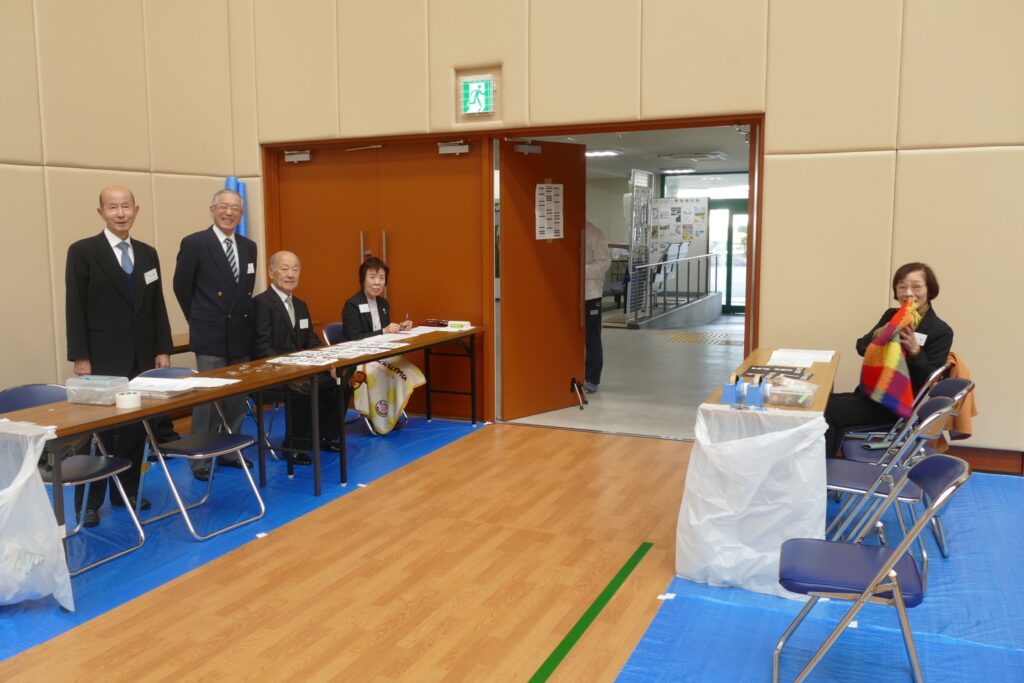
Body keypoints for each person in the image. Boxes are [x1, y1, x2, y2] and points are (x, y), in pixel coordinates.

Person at [65, 186, 173, 527]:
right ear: (101, 212)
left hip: (141, 356)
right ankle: (90, 502)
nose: (121, 213)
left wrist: (162, 349)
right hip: (101, 357)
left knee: (134, 430)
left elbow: (156, 306)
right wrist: (80, 356)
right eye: (113, 207)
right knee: (98, 433)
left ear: (136, 210)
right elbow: (75, 308)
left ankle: (126, 490)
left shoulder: (147, 253)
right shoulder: (83, 251)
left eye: (126, 206)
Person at [824, 262, 954, 456]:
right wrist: (879, 333)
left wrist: (915, 351)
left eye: (916, 287)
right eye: (902, 287)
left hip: (897, 406)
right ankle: (828, 463)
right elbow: (861, 347)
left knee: (826, 410)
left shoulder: (940, 330)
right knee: (820, 404)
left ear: (930, 290)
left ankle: (825, 467)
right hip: (871, 396)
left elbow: (929, 381)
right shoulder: (892, 315)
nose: (908, 293)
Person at [172, 189, 257, 480]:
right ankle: (201, 458)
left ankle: (230, 451)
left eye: (235, 209)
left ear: (241, 215)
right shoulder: (195, 243)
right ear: (212, 210)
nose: (229, 212)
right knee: (207, 401)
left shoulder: (248, 247)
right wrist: (199, 318)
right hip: (209, 332)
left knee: (236, 397)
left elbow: (245, 290)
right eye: (223, 206)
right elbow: (181, 286)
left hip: (239, 332)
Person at [252, 251, 341, 463]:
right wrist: (293, 366)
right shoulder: (261, 304)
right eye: (284, 269)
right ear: (271, 272)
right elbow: (262, 348)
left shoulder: (300, 305)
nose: (290, 274)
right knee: (303, 386)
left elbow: (310, 339)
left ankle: (324, 435)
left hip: (298, 369)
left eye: (295, 269)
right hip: (270, 372)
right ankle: (295, 446)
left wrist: (328, 361)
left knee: (341, 379)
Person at [340, 257, 412, 341]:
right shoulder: (352, 305)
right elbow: (354, 338)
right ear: (363, 279)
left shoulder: (383, 303)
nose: (377, 282)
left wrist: (400, 327)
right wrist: (383, 331)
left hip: (383, 346)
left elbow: (386, 329)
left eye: (381, 278)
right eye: (372, 277)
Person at [584, 220, 611, 393]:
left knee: (592, 337)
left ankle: (592, 378)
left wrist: (581, 270)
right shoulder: (565, 231)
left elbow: (604, 262)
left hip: (590, 294)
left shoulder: (594, 233)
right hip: (570, 295)